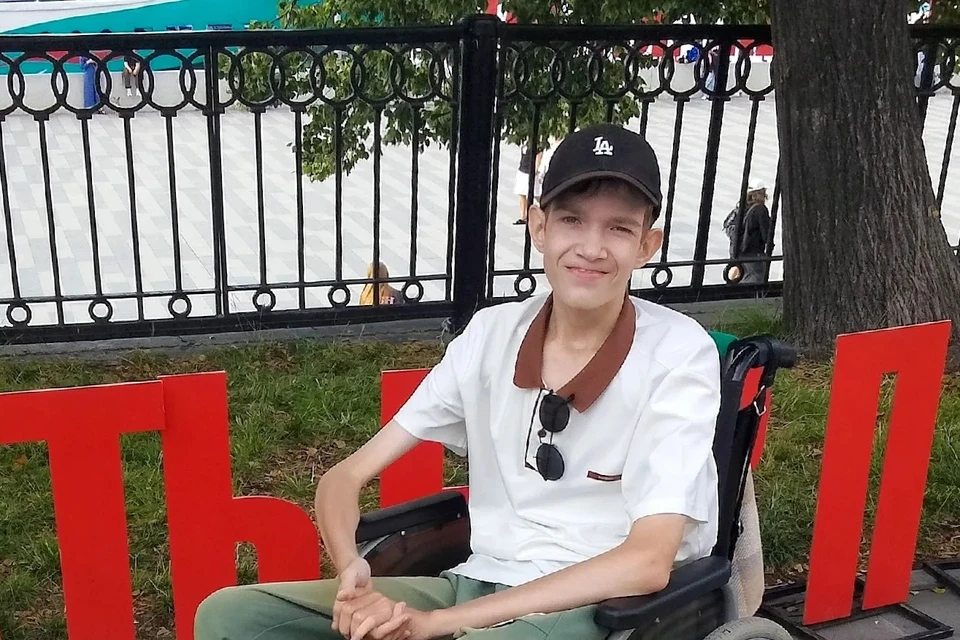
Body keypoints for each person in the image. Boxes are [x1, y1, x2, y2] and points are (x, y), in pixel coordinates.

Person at [194, 123, 723, 640]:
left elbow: (648, 561)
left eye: (619, 229)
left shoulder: (678, 354)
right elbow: (343, 478)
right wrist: (351, 571)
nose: (591, 247)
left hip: (596, 605)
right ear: (539, 227)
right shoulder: (492, 335)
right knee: (230, 617)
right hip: (478, 581)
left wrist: (439, 624)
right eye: (571, 220)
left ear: (648, 245)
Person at [723, 179, 772, 285]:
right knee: (754, 283)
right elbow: (766, 235)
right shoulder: (760, 209)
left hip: (737, 253)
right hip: (753, 254)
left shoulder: (740, 208)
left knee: (738, 282)